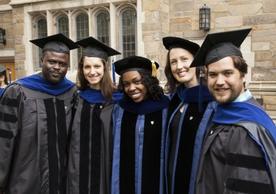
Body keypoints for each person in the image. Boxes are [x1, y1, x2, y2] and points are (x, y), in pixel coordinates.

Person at [190, 28, 276, 194]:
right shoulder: (227, 114)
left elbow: (246, 187)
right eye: (213, 74)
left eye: (227, 73)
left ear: (243, 75)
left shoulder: (244, 130)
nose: (219, 81)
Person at [0, 33, 78, 194]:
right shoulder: (18, 92)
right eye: (52, 61)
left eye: (62, 64)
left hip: (62, 180)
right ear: (41, 61)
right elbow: (4, 142)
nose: (57, 67)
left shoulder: (72, 93)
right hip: (25, 179)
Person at [67, 36, 122, 194]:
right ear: (81, 69)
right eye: (87, 67)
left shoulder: (118, 100)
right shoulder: (76, 98)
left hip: (107, 168)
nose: (92, 72)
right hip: (78, 169)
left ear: (105, 68)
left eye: (97, 66)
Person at [162, 36, 216, 194]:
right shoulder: (174, 99)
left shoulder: (213, 101)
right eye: (173, 62)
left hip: (201, 183)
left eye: (184, 59)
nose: (179, 66)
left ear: (196, 62)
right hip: (172, 182)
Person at [111, 56, 169, 194]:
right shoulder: (120, 110)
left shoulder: (166, 108)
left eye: (137, 81)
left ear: (148, 82)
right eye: (126, 84)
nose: (131, 88)